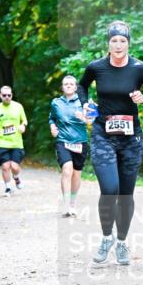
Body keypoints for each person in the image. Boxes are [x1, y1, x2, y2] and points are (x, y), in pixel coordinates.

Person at [77, 20, 143, 265]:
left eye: (123, 41)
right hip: (103, 135)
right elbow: (82, 86)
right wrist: (84, 103)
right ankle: (107, 238)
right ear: (108, 43)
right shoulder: (96, 67)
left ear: (128, 43)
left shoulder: (139, 68)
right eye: (114, 41)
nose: (118, 45)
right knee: (110, 189)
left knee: (126, 194)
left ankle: (122, 243)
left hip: (131, 140)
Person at [49, 75, 89, 217]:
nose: (68, 86)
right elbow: (52, 117)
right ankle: (66, 205)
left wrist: (84, 118)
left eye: (71, 84)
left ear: (76, 86)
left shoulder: (83, 102)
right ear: (62, 87)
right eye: (66, 84)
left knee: (76, 174)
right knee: (67, 170)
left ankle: (72, 204)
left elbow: (93, 120)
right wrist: (53, 127)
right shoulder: (56, 102)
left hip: (80, 142)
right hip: (63, 141)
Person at [0, 85, 28, 197]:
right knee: (5, 166)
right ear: (0, 96)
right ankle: (8, 187)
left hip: (16, 142)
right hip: (1, 142)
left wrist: (23, 126)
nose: (7, 97)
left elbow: (24, 121)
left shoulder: (18, 107)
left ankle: (16, 177)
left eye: (9, 95)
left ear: (11, 95)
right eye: (4, 95)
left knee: (14, 167)